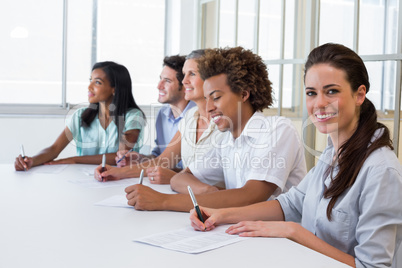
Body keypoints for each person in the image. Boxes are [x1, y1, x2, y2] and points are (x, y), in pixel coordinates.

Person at [189, 43, 402, 268]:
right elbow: (291, 204)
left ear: (359, 95)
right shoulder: (333, 153)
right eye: (311, 93)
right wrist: (220, 214)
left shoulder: (381, 170)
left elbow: (373, 266)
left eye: (332, 91)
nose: (319, 103)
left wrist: (294, 231)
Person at [122, 46, 306, 212]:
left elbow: (250, 196)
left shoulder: (277, 130)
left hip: (282, 241)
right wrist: (207, 191)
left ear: (243, 94)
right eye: (207, 98)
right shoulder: (227, 140)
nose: (209, 108)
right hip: (240, 229)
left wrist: (163, 201)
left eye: (216, 97)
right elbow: (179, 178)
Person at [94, 49, 226, 184]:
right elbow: (164, 160)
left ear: (210, 79)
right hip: (184, 195)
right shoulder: (191, 117)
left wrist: (174, 178)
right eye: (184, 74)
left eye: (192, 74)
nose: (184, 81)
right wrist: (116, 172)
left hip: (208, 201)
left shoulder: (225, 123)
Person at [14, 61, 145, 171]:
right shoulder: (80, 116)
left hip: (120, 181)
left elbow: (121, 156)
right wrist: (31, 161)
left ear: (114, 89)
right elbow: (54, 149)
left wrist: (74, 160)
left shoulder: (133, 116)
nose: (89, 87)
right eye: (90, 81)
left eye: (97, 82)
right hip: (83, 179)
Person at [115, 55, 195, 169]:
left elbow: (198, 172)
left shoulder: (197, 116)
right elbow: (159, 156)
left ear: (184, 86)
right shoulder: (162, 114)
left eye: (167, 81)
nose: (159, 86)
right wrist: (140, 159)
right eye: (160, 79)